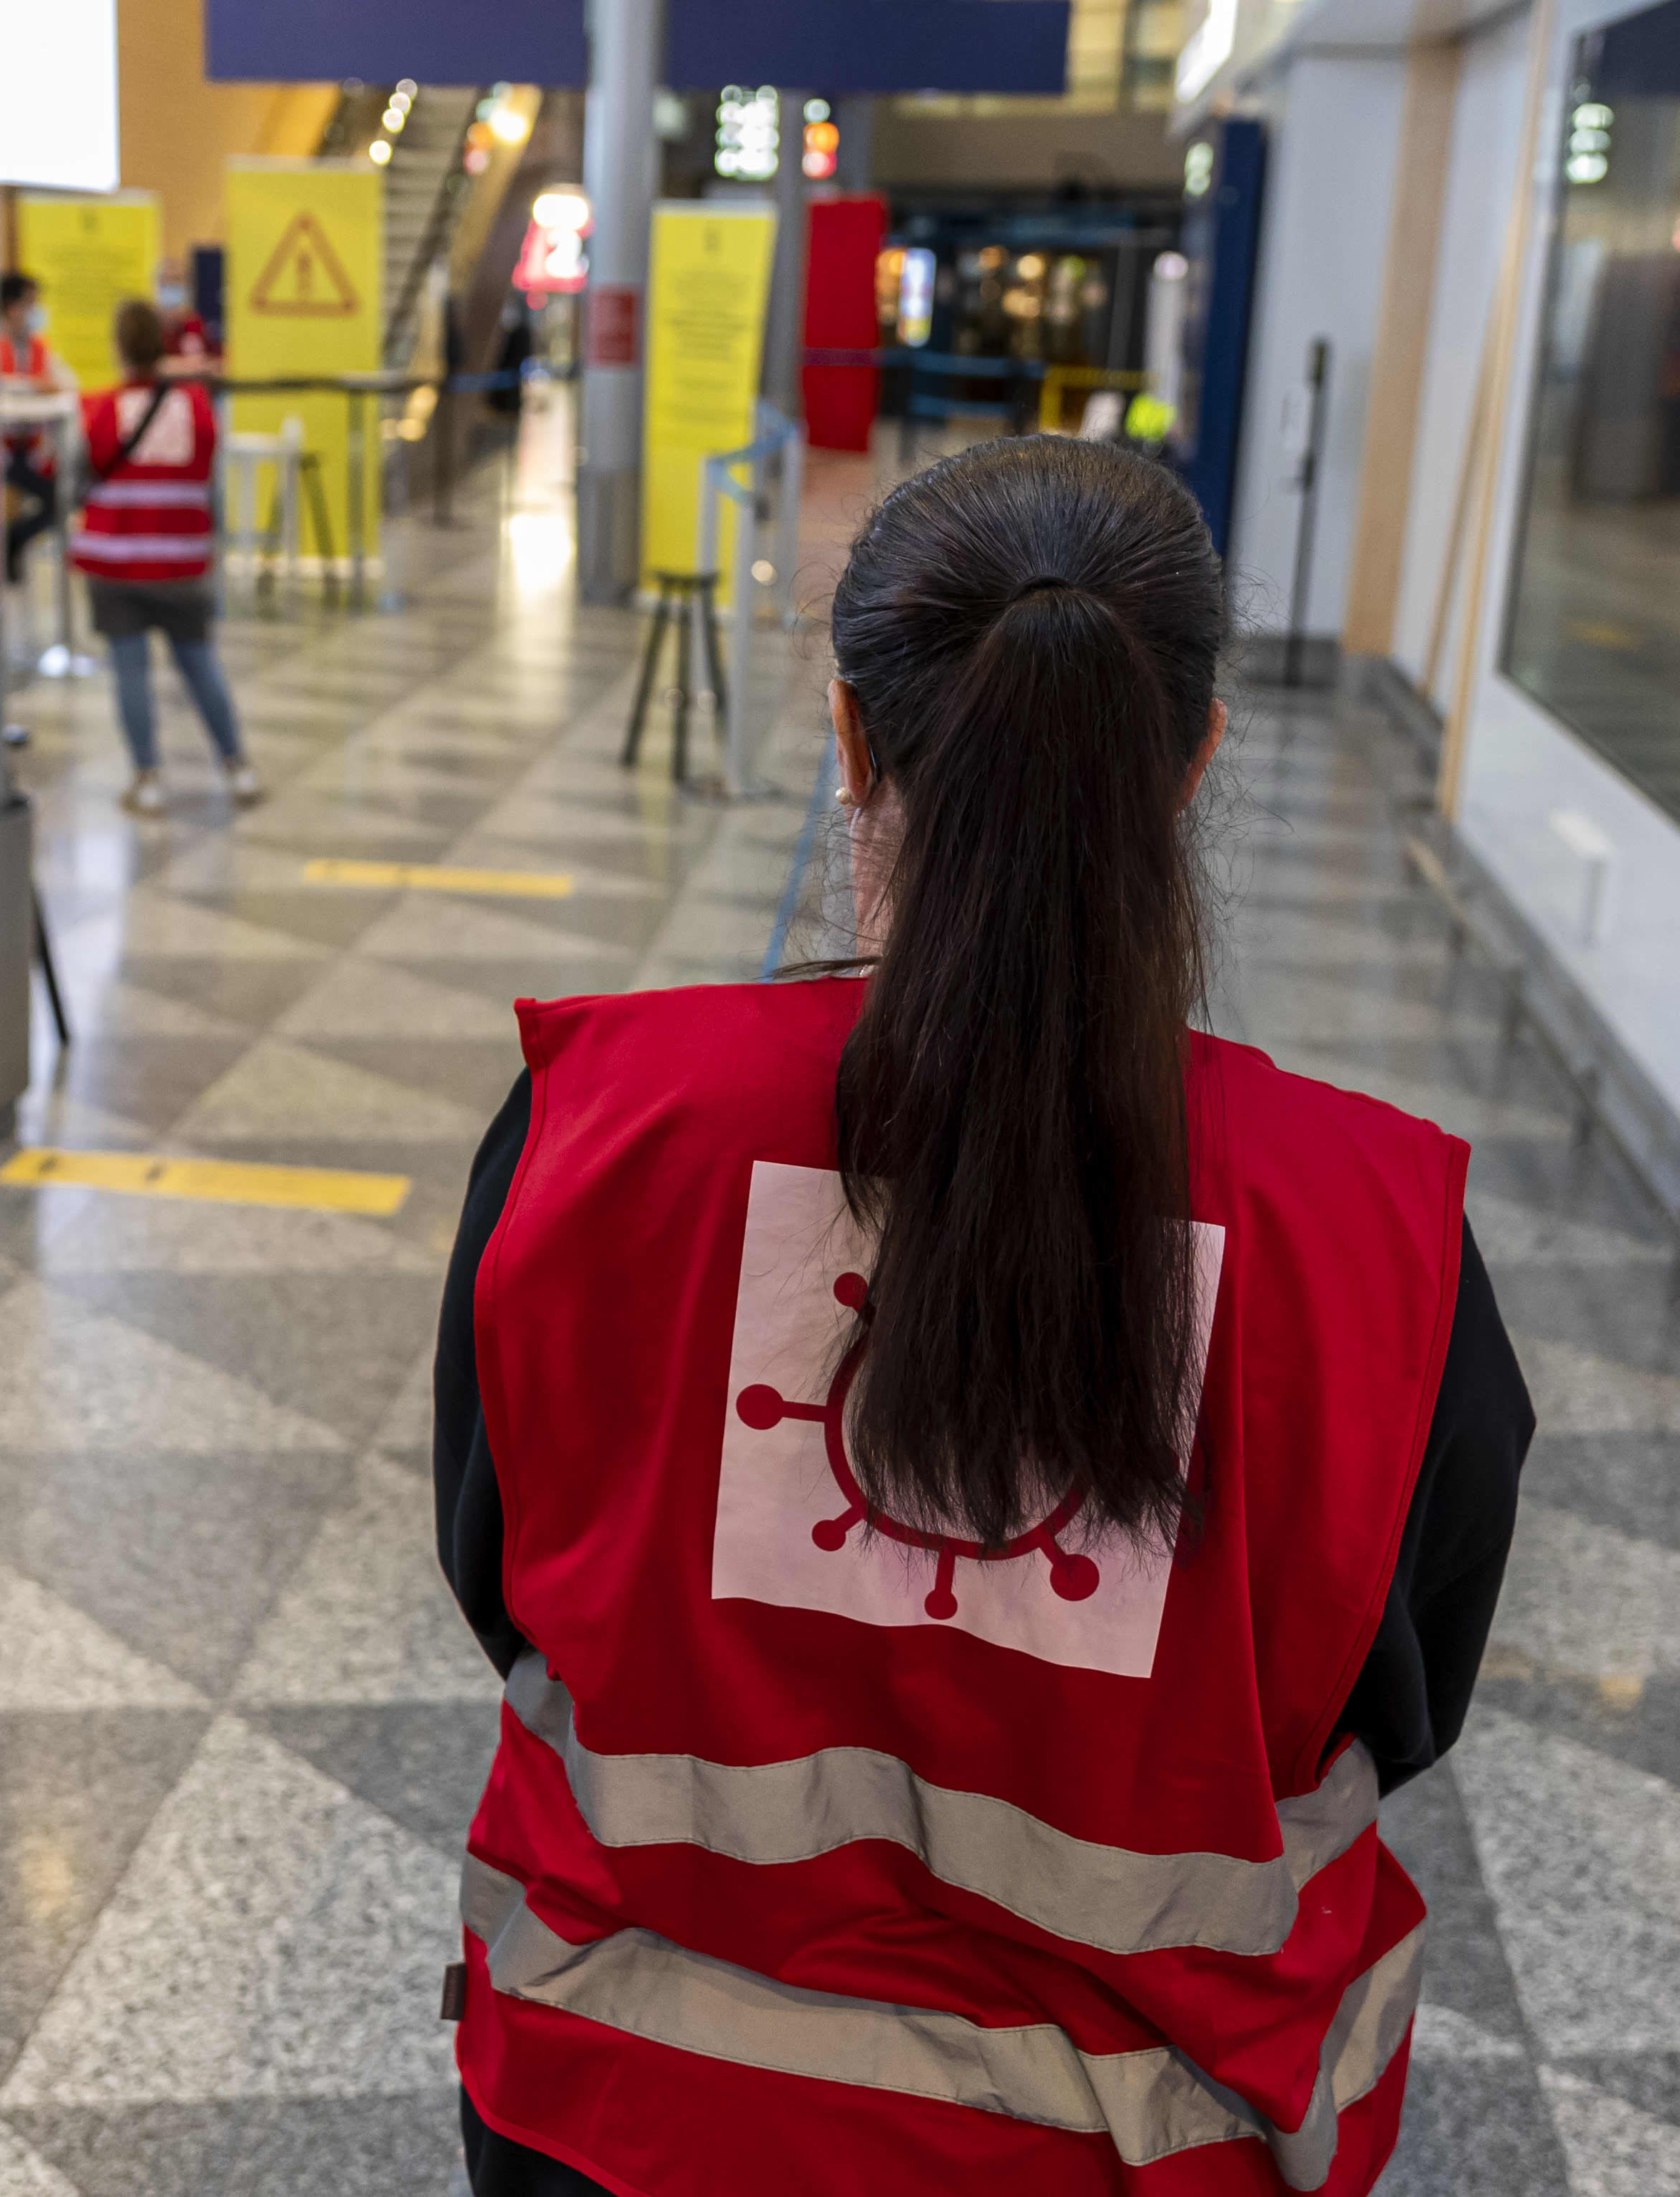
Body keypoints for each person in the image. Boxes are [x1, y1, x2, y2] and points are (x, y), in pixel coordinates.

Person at [434, 435, 1531, 2197]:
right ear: (1187, 766)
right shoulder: (1366, 1232)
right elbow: (1395, 1697)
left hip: (620, 2105)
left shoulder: (603, 1129)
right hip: (1135, 2144)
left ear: (851, 740)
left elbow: (503, 1575)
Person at [73, 298, 258, 817]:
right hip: (181, 561)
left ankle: (148, 778)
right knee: (199, 664)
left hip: (114, 562)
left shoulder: (100, 410)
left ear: (118, 348)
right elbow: (207, 481)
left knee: (130, 672)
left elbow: (76, 477)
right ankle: (237, 765)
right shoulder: (196, 408)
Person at [0, 271, 76, 585]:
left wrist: (37, 387)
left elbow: (66, 385)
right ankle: (6, 546)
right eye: (31, 304)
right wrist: (31, 387)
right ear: (12, 307)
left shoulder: (41, 349)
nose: (36, 311)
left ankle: (14, 539)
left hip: (34, 452)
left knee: (59, 501)